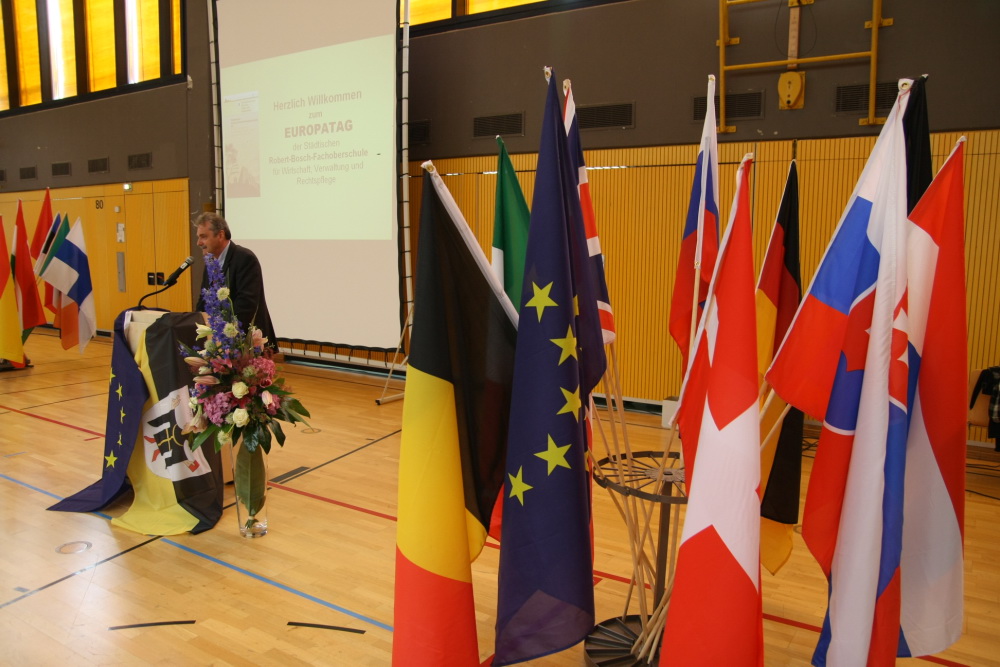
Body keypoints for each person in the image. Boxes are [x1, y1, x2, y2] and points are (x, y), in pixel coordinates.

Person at [193, 212, 277, 350]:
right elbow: (203, 302)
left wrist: (225, 335)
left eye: (204, 236)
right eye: (199, 237)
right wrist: (197, 326)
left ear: (220, 235)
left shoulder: (244, 258)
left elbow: (246, 304)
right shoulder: (210, 262)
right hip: (218, 343)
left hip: (248, 343)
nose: (199, 243)